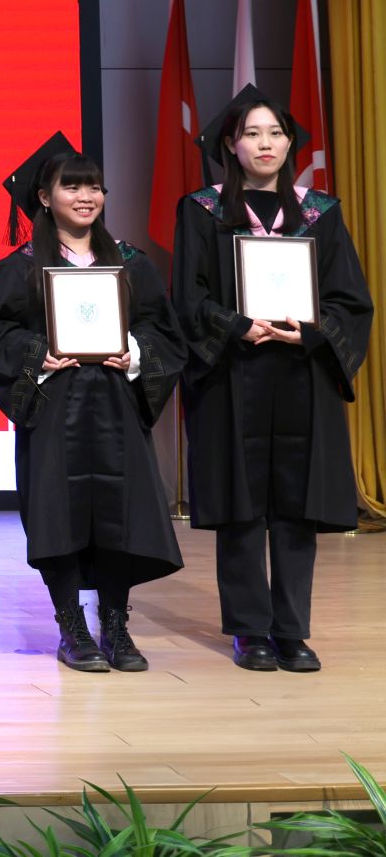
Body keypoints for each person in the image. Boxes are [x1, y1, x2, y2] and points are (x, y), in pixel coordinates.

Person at [172, 86, 372, 672]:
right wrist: (238, 326)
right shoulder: (202, 210)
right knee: (241, 504)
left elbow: (349, 299)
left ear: (290, 144)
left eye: (276, 133)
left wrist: (306, 332)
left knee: (295, 505)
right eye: (252, 133)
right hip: (233, 372)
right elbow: (188, 295)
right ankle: (249, 629)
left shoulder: (320, 212)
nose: (266, 143)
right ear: (231, 145)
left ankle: (292, 630)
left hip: (300, 372)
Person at [0, 134, 184, 673]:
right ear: (45, 197)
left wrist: (134, 352)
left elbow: (161, 331)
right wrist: (38, 354)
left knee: (121, 514)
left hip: (116, 406)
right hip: (55, 408)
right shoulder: (21, 268)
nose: (86, 196)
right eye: (71, 186)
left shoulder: (131, 264)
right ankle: (72, 626)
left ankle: (115, 624)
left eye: (94, 186)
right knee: (59, 516)